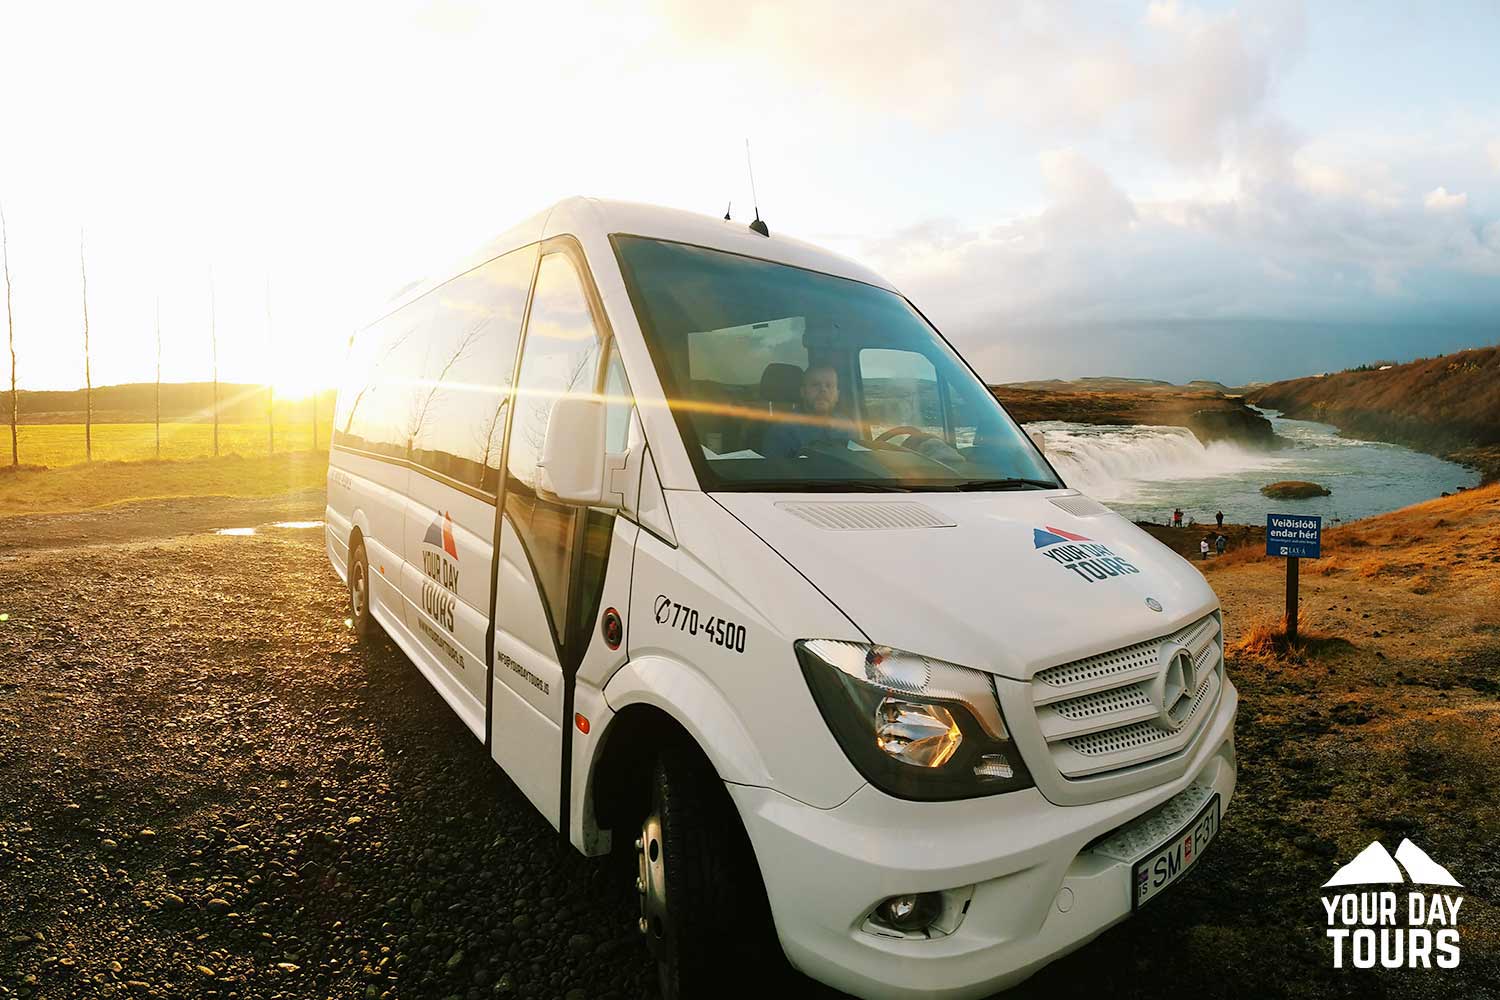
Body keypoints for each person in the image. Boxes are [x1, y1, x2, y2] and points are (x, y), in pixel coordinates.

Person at [761, 364, 853, 458]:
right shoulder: (782, 432)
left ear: (837, 395)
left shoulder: (847, 426)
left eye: (829, 385)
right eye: (815, 385)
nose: (823, 390)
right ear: (803, 392)